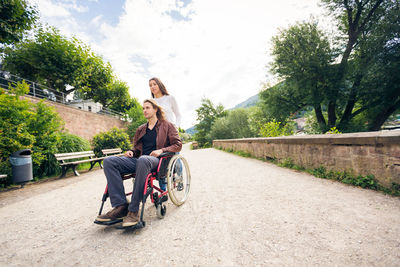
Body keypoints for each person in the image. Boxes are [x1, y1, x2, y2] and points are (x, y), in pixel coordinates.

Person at [95, 99, 182, 227]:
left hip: (157, 161)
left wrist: (161, 150)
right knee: (109, 161)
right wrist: (131, 151)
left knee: (143, 160)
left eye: (147, 108)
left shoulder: (167, 125)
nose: (144, 110)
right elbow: (137, 149)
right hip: (140, 160)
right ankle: (121, 206)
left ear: (155, 109)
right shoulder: (141, 129)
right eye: (143, 108)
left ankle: (133, 210)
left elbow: (178, 145)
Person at [149, 77, 182, 190]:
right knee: (161, 162)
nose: (152, 87)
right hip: (158, 134)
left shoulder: (170, 98)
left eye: (154, 84)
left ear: (159, 85)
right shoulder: (151, 101)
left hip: (171, 132)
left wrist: (176, 127)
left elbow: (178, 114)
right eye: (150, 85)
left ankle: (179, 178)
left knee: (175, 157)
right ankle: (163, 190)